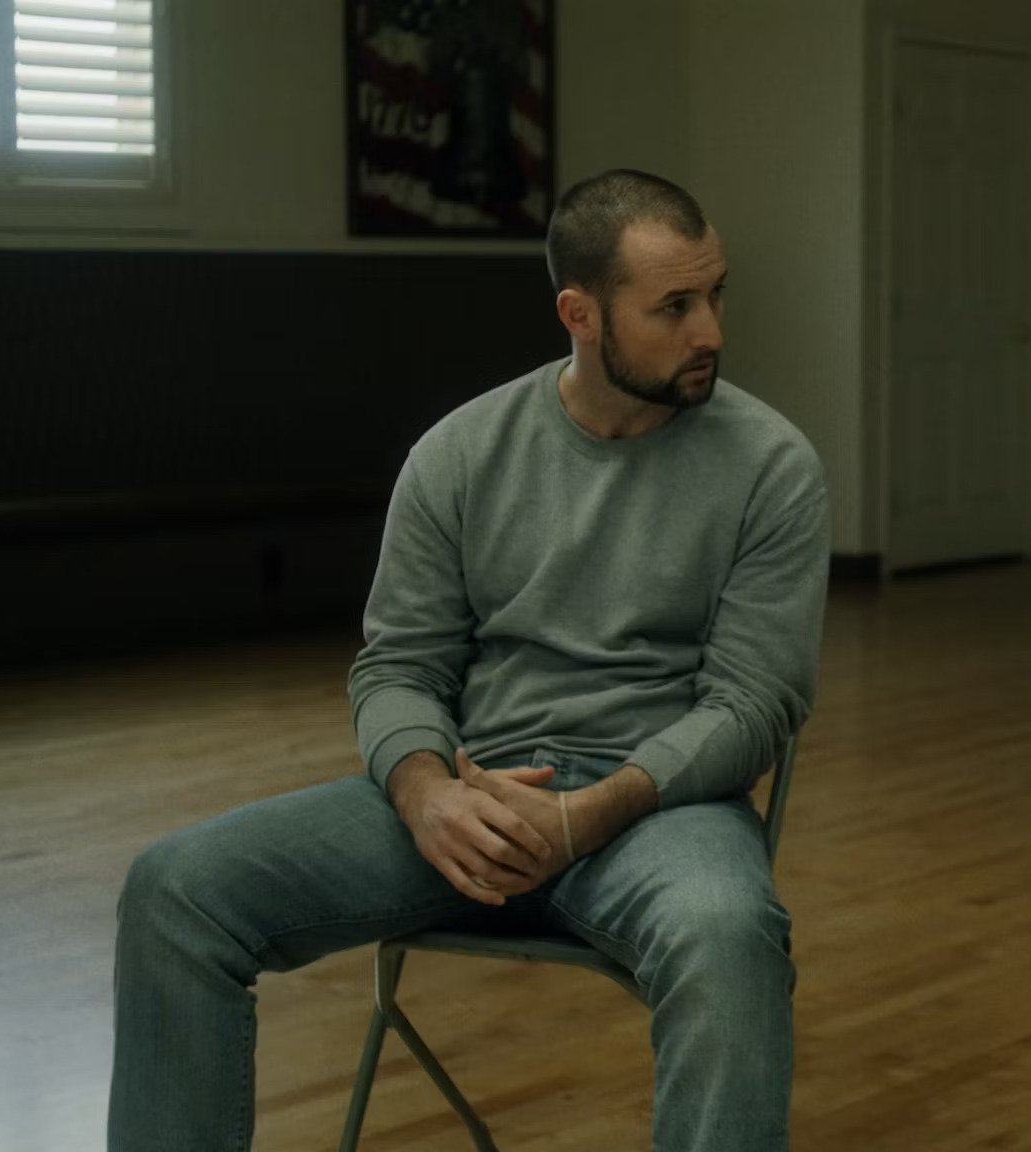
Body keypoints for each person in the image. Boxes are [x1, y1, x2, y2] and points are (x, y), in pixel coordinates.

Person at [109, 169, 829, 1152]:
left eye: (716, 296)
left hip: (656, 812)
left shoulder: (772, 466)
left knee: (731, 937)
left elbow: (753, 704)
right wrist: (424, 795)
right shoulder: (460, 453)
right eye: (674, 307)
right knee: (175, 890)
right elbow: (397, 666)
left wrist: (587, 813)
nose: (709, 331)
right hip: (467, 797)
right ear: (579, 313)